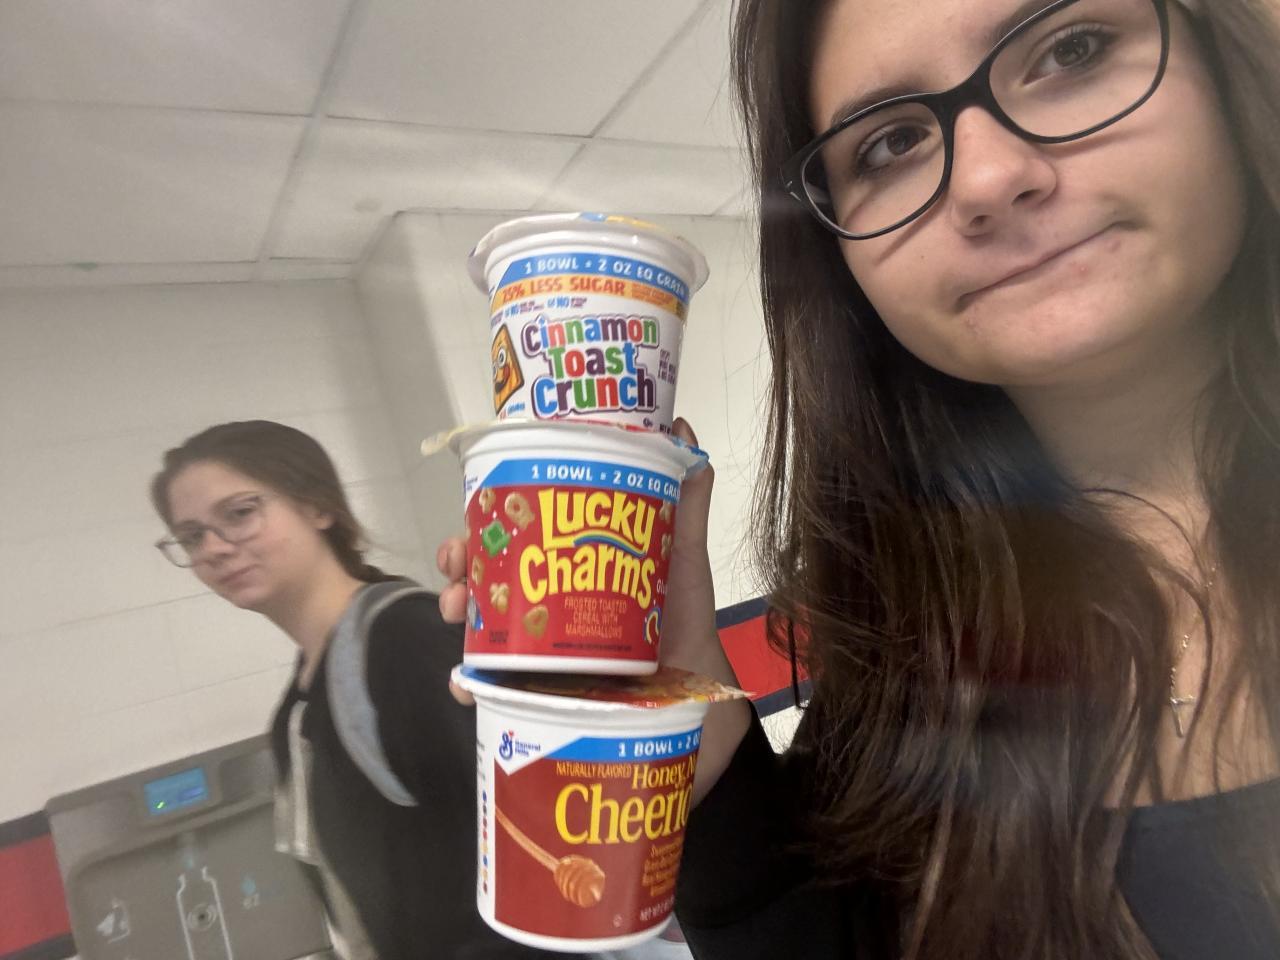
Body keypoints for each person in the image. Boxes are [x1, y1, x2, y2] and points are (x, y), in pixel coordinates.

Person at [438, 0, 1280, 956]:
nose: (989, 178)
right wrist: (700, 737)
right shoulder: (906, 646)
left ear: (1224, 57)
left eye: (1069, 51)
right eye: (891, 144)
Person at [152, 420, 553, 959]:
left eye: (240, 513)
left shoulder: (405, 642)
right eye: (192, 536)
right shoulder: (299, 702)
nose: (214, 548)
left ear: (318, 506)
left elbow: (532, 848)